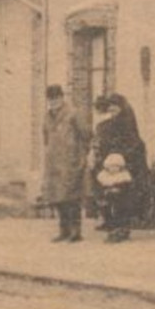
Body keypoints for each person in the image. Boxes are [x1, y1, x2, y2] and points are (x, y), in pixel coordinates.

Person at [92, 93, 149, 242]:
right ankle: (114, 225)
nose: (113, 113)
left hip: (125, 167)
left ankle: (121, 228)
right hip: (111, 166)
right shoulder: (109, 125)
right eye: (111, 110)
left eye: (116, 110)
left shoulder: (128, 125)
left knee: (122, 197)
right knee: (110, 196)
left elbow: (133, 145)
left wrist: (122, 159)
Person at [40, 84, 90, 243]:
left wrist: (81, 155)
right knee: (58, 198)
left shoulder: (73, 114)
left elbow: (86, 134)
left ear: (62, 98)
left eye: (56, 98)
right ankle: (64, 230)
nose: (53, 102)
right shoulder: (47, 117)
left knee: (72, 197)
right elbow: (46, 137)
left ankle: (76, 232)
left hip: (71, 162)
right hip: (54, 163)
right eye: (50, 99)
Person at [94, 153, 134, 243]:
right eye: (111, 166)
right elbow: (99, 189)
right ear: (107, 166)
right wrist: (102, 195)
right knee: (108, 216)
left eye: (116, 166)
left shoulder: (124, 177)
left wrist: (119, 190)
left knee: (120, 215)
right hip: (108, 201)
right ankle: (112, 231)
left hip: (120, 202)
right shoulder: (103, 177)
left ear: (121, 167)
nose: (114, 169)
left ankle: (121, 231)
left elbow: (126, 190)